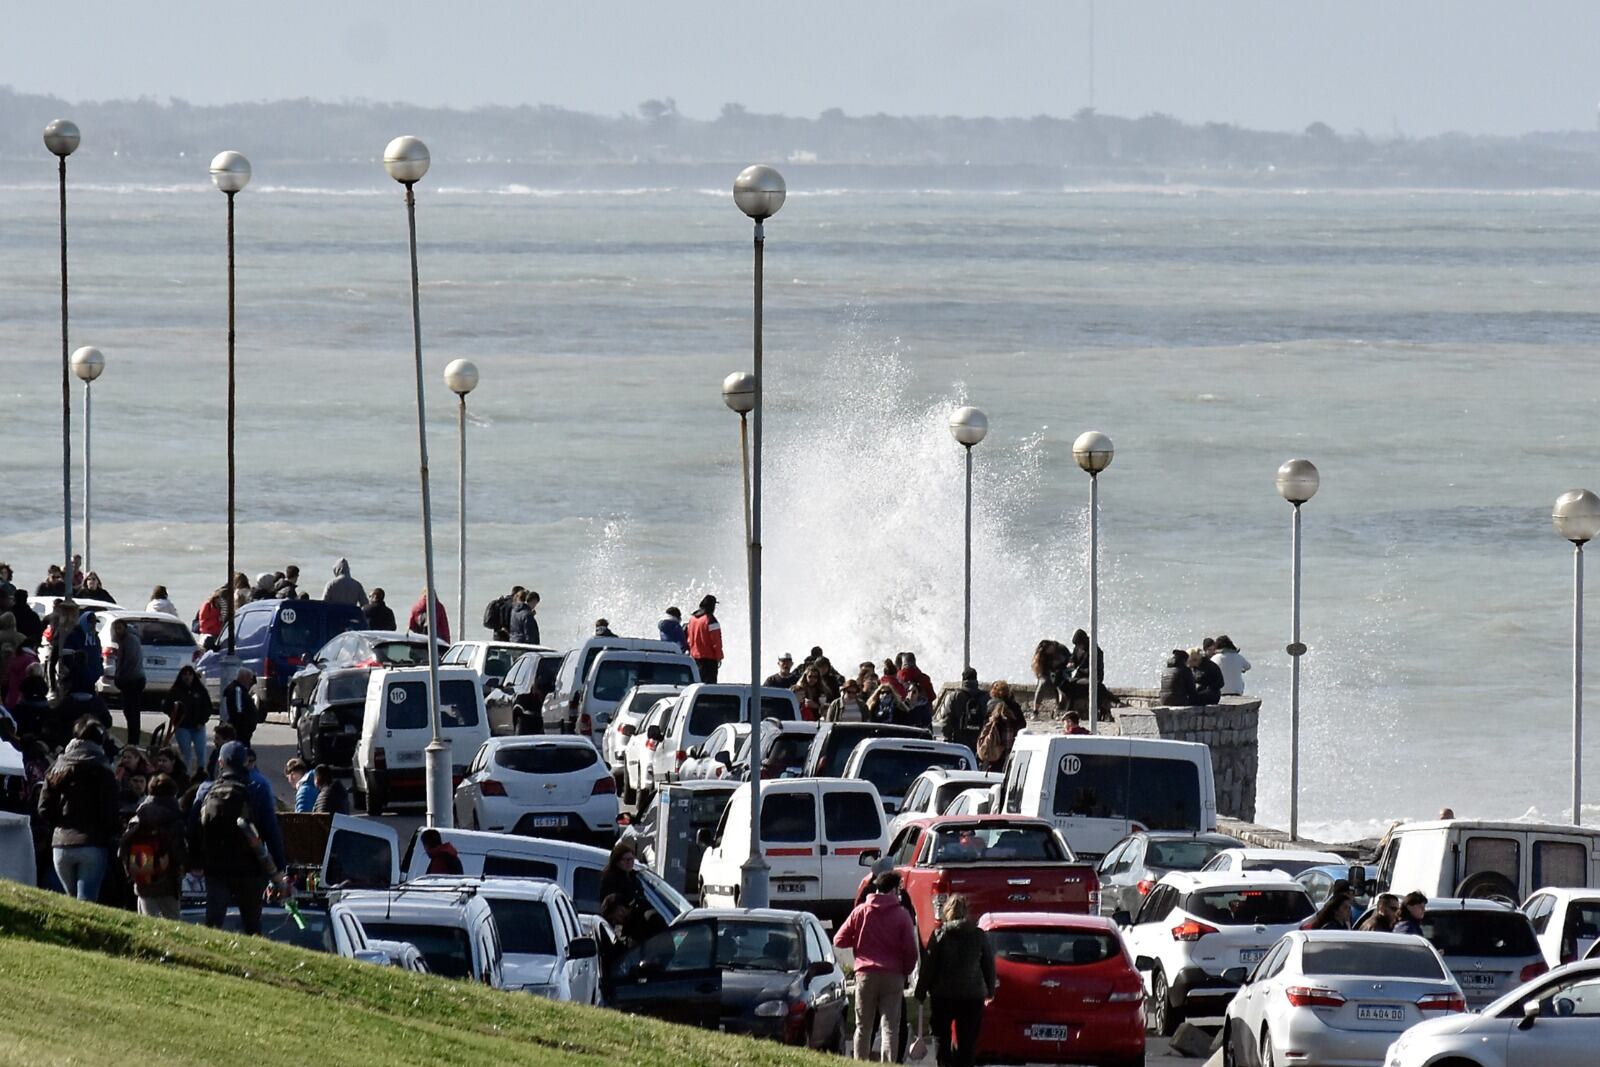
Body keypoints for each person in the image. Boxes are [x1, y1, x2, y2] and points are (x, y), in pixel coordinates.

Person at [189, 742, 287, 935]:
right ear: (246, 762)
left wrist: (196, 860)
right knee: (252, 924)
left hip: (215, 867)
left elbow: (193, 827)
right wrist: (279, 868)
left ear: (220, 762)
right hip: (250, 868)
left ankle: (209, 959)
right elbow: (271, 830)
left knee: (214, 921)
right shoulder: (257, 789)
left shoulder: (206, 789)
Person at [834, 870, 920, 1063]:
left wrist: (858, 944)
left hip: (865, 973)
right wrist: (905, 971)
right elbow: (911, 950)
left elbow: (839, 939)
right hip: (893, 974)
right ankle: (888, 1063)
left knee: (863, 1026)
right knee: (890, 1027)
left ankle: (859, 1062)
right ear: (893, 890)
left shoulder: (861, 912)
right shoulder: (901, 915)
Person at [37, 723, 120, 901]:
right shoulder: (104, 769)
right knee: (87, 900)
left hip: (61, 843)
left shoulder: (58, 766)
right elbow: (110, 812)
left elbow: (43, 808)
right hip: (93, 843)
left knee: (71, 899)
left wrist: (58, 822)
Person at [916, 893, 997, 1067]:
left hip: (943, 994)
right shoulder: (978, 935)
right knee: (967, 1041)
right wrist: (990, 989)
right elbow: (988, 965)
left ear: (947, 912)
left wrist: (921, 991)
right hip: (972, 994)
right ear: (966, 912)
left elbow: (929, 966)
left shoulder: (940, 934)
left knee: (941, 1036)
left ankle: (944, 1063)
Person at [119, 772, 187, 919]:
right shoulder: (174, 818)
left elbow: (124, 847)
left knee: (146, 921)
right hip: (167, 881)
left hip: (142, 876)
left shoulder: (137, 817)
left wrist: (130, 871)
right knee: (173, 921)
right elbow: (178, 851)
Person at [165, 665, 213, 777]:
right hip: (182, 727)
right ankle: (186, 776)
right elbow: (167, 707)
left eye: (190, 674)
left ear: (193, 676)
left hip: (198, 727)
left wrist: (202, 721)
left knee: (201, 753)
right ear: (181, 676)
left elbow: (207, 707)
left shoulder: (200, 690)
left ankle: (201, 776)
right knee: (186, 754)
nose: (187, 677)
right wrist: (175, 718)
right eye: (185, 674)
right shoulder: (175, 691)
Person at [976, 681, 1025, 772]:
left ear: (993, 692)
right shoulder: (1015, 707)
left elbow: (984, 727)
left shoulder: (990, 706)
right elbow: (1023, 726)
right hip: (1011, 748)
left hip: (994, 749)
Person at [941, 668, 987, 752]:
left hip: (959, 739)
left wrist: (947, 738)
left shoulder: (955, 696)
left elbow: (947, 718)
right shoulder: (985, 697)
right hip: (979, 740)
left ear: (963, 680)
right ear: (976, 679)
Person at [686, 595, 723, 683]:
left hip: (694, 658)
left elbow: (689, 639)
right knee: (709, 687)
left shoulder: (692, 619)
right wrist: (719, 657)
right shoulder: (710, 620)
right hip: (709, 660)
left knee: (697, 684)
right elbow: (716, 642)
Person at [220, 668, 259, 748]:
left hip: (239, 733)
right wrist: (245, 729)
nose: (251, 683)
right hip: (238, 734)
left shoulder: (238, 689)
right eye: (250, 679)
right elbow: (238, 712)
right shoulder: (237, 690)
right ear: (244, 678)